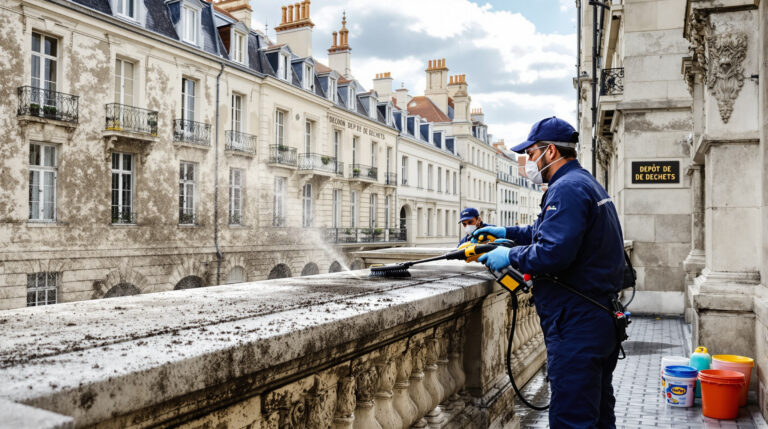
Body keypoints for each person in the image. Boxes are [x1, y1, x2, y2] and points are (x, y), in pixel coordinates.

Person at [474, 117, 625, 429]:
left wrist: (508, 255)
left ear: (551, 151)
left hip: (577, 322)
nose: (529, 162)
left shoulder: (566, 189)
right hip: (598, 317)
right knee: (597, 414)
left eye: (531, 155)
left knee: (572, 419)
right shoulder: (584, 182)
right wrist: (506, 232)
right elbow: (547, 232)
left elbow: (553, 252)